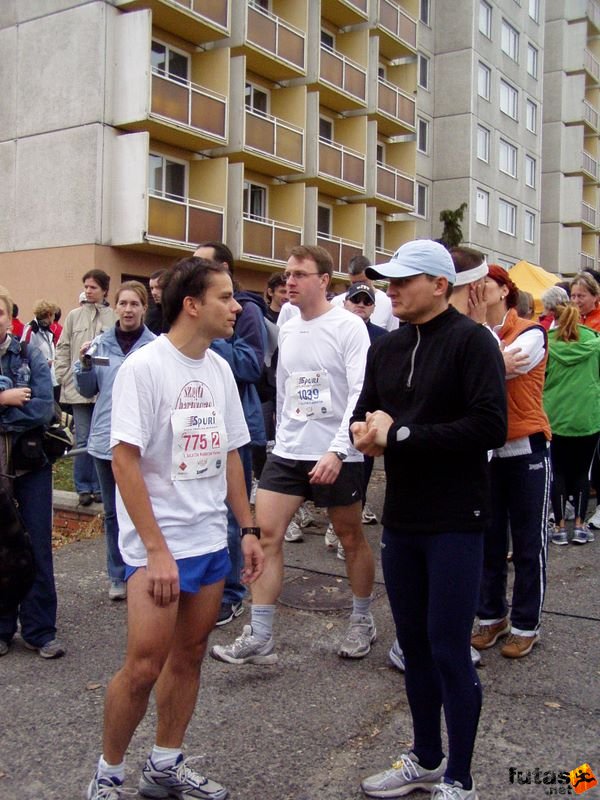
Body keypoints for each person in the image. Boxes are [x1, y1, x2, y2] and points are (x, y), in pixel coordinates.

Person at [86, 256, 264, 800]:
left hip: (209, 539)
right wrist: (157, 551)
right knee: (143, 668)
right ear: (192, 305)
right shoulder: (144, 368)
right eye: (226, 297)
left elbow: (233, 454)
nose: (237, 307)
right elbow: (123, 461)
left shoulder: (218, 369)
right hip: (156, 550)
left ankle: (164, 766)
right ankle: (108, 776)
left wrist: (248, 528)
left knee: (189, 658)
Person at [351, 240, 506, 800]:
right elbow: (364, 413)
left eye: (401, 280)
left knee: (447, 648)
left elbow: (489, 427)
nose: (389, 289)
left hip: (457, 518)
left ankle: (461, 778)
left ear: (440, 285)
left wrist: (402, 435)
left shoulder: (472, 342)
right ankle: (425, 757)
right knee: (413, 645)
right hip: (404, 518)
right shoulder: (387, 348)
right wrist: (362, 434)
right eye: (387, 280)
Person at [211, 244, 376, 665]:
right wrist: (279, 439)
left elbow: (361, 393)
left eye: (300, 274)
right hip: (289, 449)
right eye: (287, 274)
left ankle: (362, 619)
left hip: (338, 452)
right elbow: (285, 388)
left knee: (350, 536)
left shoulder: (348, 327)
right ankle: (261, 633)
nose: (290, 281)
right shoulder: (287, 323)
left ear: (324, 280)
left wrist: (338, 451)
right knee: (266, 536)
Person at [471, 265, 551, 660]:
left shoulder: (532, 332)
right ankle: (491, 617)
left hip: (526, 448)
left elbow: (492, 369)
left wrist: (478, 361)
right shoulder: (479, 333)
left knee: (526, 543)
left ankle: (525, 624)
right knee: (488, 539)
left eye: (484, 283)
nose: (476, 289)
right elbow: (487, 367)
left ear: (503, 290)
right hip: (488, 451)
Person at [193, 241, 267, 627]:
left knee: (230, 513)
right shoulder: (189, 310)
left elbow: (253, 364)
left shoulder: (247, 310)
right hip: (198, 425)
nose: (190, 266)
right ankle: (207, 586)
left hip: (240, 425)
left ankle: (232, 593)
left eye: (199, 262)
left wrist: (211, 341)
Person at [73, 281, 155, 601]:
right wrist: (84, 363)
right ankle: (118, 575)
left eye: (135, 304)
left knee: (141, 507)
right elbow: (86, 389)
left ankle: (144, 567)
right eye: (123, 303)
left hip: (140, 441)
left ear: (143, 308)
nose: (128, 309)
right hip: (105, 438)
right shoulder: (100, 344)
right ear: (115, 307)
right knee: (111, 513)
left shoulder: (154, 345)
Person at [0, 285, 64, 659]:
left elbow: (43, 409)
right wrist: (4, 399)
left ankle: (41, 630)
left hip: (30, 464)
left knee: (38, 544)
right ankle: (3, 627)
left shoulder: (30, 354)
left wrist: (5, 418)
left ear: (11, 317)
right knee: (1, 546)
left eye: (1, 313)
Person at [55, 269, 115, 506]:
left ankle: (100, 486)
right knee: (83, 439)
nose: (88, 291)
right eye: (86, 287)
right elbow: (63, 347)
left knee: (102, 438)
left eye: (93, 287)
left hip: (104, 388)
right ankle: (83, 486)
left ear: (104, 290)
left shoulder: (113, 317)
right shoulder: (73, 316)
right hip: (78, 388)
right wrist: (63, 374)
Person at [543, 300, 600, 545]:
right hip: (586, 417)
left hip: (554, 415)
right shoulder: (595, 343)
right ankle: (579, 524)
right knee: (582, 472)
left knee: (558, 472)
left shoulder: (547, 342)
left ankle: (558, 526)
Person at [331, 254, 399, 331]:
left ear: (371, 277)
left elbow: (393, 334)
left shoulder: (388, 302)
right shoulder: (337, 302)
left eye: (363, 282)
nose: (359, 286)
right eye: (355, 283)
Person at [21, 300, 59, 399]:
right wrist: (44, 363)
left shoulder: (49, 331)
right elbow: (24, 353)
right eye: (53, 315)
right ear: (49, 314)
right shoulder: (31, 329)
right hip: (38, 379)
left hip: (52, 379)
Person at [145, 268, 169, 335]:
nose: (153, 292)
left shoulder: (180, 313)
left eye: (158, 287)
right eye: (152, 288)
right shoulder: (152, 315)